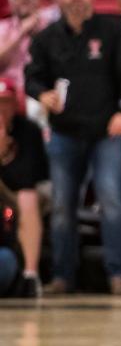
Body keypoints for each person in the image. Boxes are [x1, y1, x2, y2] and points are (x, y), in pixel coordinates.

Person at [25, 0, 121, 295]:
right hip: (65, 133)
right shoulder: (46, 38)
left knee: (111, 200)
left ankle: (119, 273)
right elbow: (32, 77)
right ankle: (63, 276)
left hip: (106, 132)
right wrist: (42, 94)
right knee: (62, 206)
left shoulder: (113, 33)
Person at [0, 78, 49, 297]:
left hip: (18, 193)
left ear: (14, 103)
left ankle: (31, 276)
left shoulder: (28, 130)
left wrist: (4, 155)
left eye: (6, 102)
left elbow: (28, 178)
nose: (1, 108)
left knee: (27, 197)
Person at [0, 0, 57, 106]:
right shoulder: (3, 27)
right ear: (11, 1)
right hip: (8, 92)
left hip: (41, 92)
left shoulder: (49, 24)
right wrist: (21, 31)